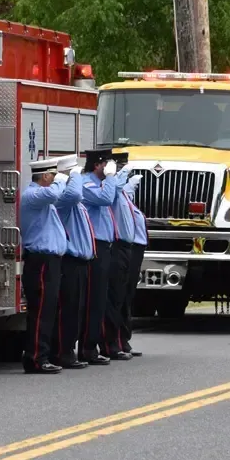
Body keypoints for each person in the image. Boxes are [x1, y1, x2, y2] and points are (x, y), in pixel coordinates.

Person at [18, 157, 68, 374]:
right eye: (54, 176)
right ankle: (36, 358)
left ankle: (42, 355)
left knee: (48, 310)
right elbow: (54, 193)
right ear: (45, 176)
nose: (56, 180)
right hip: (40, 261)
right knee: (41, 312)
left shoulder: (42, 199)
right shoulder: (33, 195)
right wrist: (66, 178)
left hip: (49, 261)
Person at [78, 148, 128, 364]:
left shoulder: (101, 183)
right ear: (98, 165)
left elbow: (116, 193)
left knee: (105, 299)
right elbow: (106, 198)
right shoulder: (86, 183)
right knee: (94, 299)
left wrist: (118, 176)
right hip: (95, 245)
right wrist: (110, 177)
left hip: (107, 245)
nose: (109, 167)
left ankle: (100, 344)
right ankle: (87, 347)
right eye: (106, 163)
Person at [53, 155, 91, 370]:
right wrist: (73, 174)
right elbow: (75, 192)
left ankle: (69, 349)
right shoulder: (64, 199)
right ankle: (63, 351)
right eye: (75, 173)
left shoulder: (72, 200)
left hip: (80, 261)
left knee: (76, 309)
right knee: (68, 310)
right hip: (69, 260)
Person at [105, 161, 144, 358]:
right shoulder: (112, 192)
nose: (125, 175)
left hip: (130, 249)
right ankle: (113, 343)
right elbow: (111, 194)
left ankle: (122, 340)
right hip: (118, 247)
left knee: (125, 297)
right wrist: (117, 178)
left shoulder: (123, 196)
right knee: (116, 298)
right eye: (122, 170)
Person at [119, 187, 149, 356]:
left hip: (135, 251)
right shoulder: (118, 195)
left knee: (127, 297)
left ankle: (124, 340)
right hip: (128, 249)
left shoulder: (127, 199)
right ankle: (118, 341)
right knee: (121, 298)